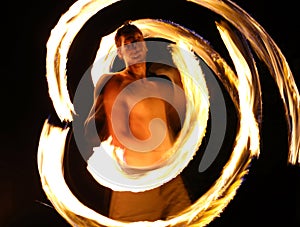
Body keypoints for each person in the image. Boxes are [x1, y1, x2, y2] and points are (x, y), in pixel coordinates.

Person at [84, 21, 191, 222]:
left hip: (168, 178)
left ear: (145, 46)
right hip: (137, 182)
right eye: (128, 44)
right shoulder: (116, 84)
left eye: (137, 41)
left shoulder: (159, 85)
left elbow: (184, 114)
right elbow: (119, 133)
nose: (134, 47)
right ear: (120, 53)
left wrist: (179, 79)